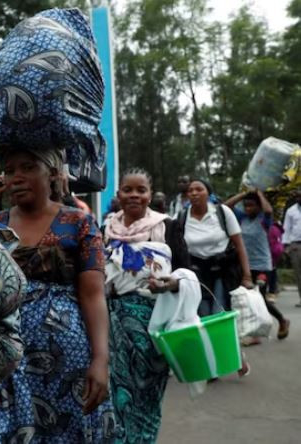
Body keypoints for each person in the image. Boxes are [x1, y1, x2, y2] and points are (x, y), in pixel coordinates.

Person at [0, 148, 114, 443]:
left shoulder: (78, 223)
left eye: (27, 168)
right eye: (10, 170)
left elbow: (93, 295)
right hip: (2, 354)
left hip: (65, 360)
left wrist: (101, 359)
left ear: (51, 174)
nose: (16, 177)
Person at [104, 169, 189, 443]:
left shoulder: (167, 227)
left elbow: (187, 273)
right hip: (113, 325)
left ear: (150, 195)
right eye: (128, 190)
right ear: (119, 194)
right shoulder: (106, 229)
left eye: (141, 190)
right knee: (117, 395)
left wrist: (169, 284)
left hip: (154, 324)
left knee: (147, 393)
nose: (134, 195)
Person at [224, 190, 290, 340]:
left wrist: (259, 194)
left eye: (252, 205)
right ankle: (255, 332)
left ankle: (281, 320)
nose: (248, 208)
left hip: (262, 266)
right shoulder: (242, 218)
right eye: (246, 206)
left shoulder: (264, 220)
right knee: (247, 298)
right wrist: (244, 194)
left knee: (259, 298)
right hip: (245, 265)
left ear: (258, 207)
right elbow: (226, 207)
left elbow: (268, 210)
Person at [182, 179, 254, 315]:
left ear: (208, 194)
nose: (194, 193)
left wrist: (247, 276)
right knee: (202, 313)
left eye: (199, 189)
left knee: (219, 311)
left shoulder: (222, 212)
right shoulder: (182, 217)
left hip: (222, 271)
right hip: (196, 274)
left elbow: (239, 245)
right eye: (190, 191)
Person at [283, 189, 301, 307]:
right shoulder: (291, 211)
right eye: (297, 196)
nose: (299, 198)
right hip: (296, 245)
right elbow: (286, 228)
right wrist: (286, 246)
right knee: (298, 273)